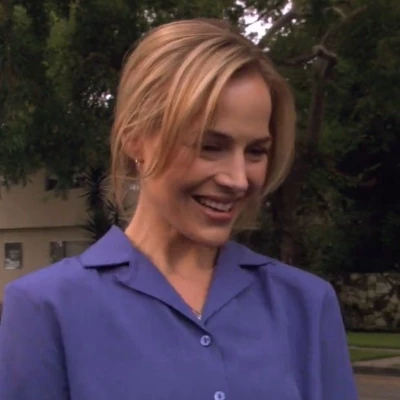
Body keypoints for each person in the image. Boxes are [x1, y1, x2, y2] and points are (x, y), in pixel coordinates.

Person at [0, 19, 357, 400]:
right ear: (136, 139)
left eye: (256, 151)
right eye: (210, 146)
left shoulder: (305, 303)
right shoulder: (46, 308)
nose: (238, 179)